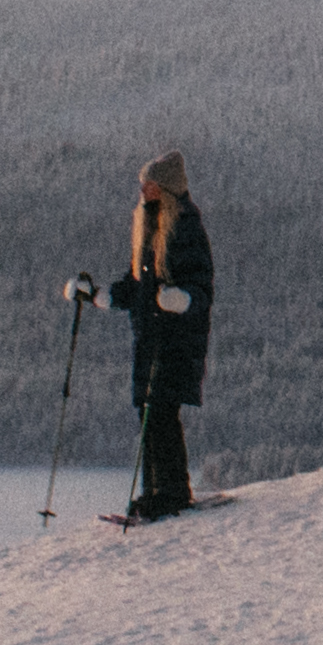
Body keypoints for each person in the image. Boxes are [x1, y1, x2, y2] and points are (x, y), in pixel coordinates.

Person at [118, 151, 216, 523]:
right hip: (150, 336)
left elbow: (201, 286)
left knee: (161, 411)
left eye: (151, 183)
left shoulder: (186, 227)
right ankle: (154, 491)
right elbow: (137, 285)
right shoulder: (150, 227)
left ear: (167, 188)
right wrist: (103, 295)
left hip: (176, 340)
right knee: (147, 410)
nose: (144, 190)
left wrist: (182, 299)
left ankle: (172, 491)